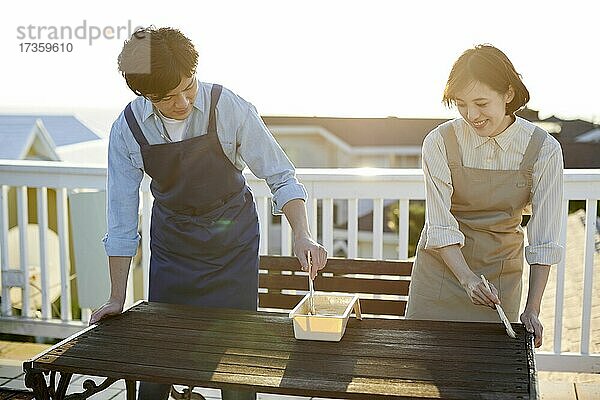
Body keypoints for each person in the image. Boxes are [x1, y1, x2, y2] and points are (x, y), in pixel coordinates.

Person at [89, 27, 327, 400]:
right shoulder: (128, 129)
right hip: (173, 245)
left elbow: (281, 176)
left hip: (232, 242)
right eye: (167, 98)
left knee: (236, 361)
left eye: (189, 86)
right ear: (143, 94)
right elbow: (121, 219)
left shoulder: (227, 105)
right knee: (160, 357)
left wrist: (302, 233)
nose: (182, 102)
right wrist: (117, 297)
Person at [405, 44, 563, 348]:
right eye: (462, 104)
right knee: (424, 368)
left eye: (480, 103)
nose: (471, 115)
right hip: (442, 270)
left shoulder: (543, 149)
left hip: (499, 276)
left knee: (487, 374)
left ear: (507, 93)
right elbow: (439, 224)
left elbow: (544, 239)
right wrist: (466, 278)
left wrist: (532, 309)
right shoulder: (439, 142)